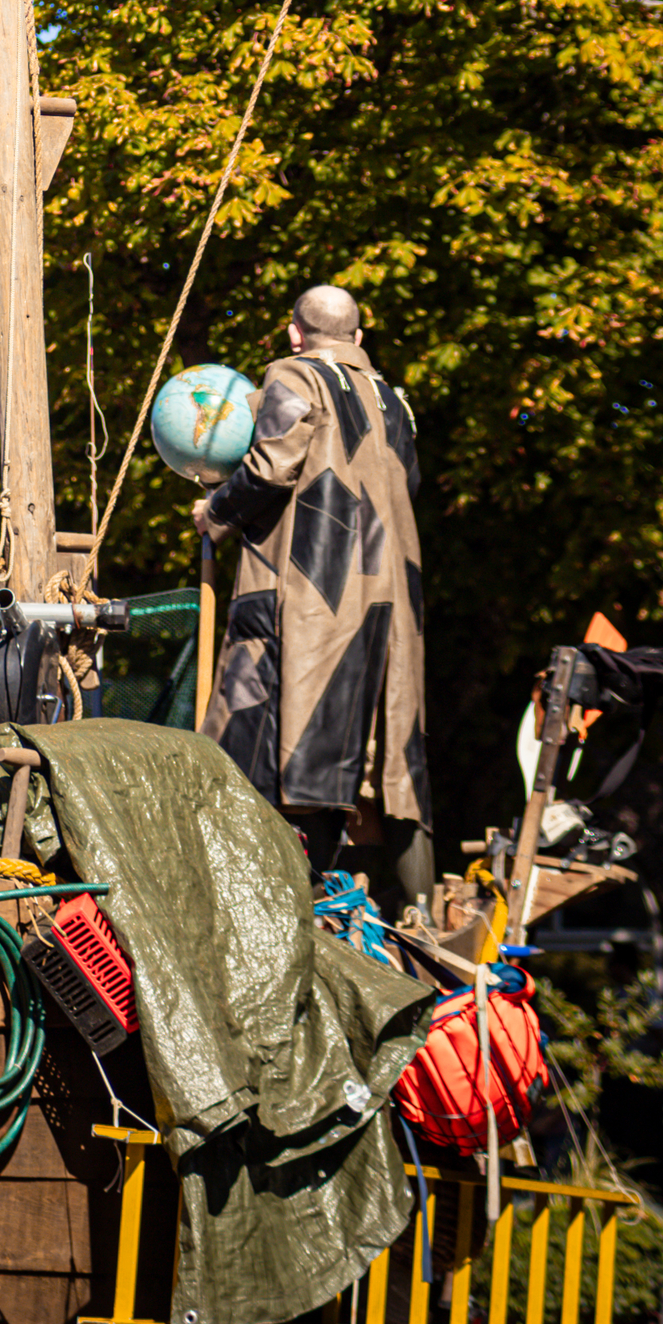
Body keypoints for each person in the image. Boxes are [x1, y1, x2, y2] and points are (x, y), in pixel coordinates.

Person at [195, 282, 434, 918]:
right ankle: (426, 918)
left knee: (295, 742)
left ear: (296, 333)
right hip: (394, 597)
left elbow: (273, 466)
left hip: (314, 591)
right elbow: (405, 480)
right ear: (358, 337)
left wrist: (216, 510)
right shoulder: (393, 399)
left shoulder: (293, 374)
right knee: (394, 756)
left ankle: (296, 907)